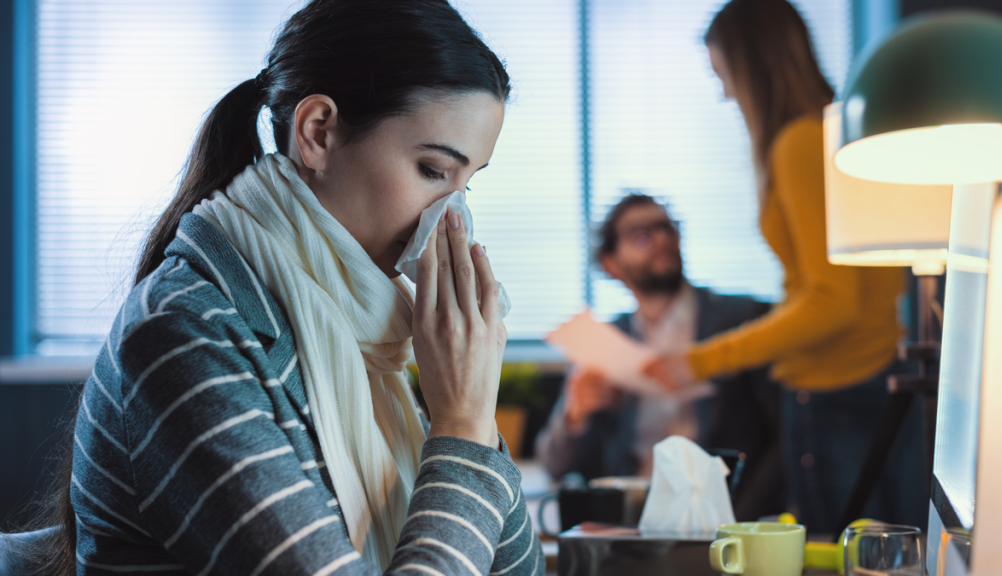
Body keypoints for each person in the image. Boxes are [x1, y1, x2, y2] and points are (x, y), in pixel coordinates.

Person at [41, 1, 543, 574]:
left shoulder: (378, 338)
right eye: (432, 171)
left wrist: (472, 414)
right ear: (317, 132)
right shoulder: (184, 334)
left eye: (465, 186)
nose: (448, 219)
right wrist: (458, 429)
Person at [643, 0, 926, 534]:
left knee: (832, 554)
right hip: (872, 376)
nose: (725, 92)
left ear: (752, 65)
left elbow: (829, 301)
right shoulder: (839, 131)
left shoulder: (799, 143)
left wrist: (700, 360)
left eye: (723, 74)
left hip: (835, 387)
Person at [535, 194, 785, 521]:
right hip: (634, 520)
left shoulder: (742, 320)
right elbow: (555, 464)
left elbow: (786, 438)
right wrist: (574, 415)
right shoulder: (605, 342)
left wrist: (740, 521)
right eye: (642, 234)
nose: (662, 239)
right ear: (610, 264)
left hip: (724, 516)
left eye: (667, 228)